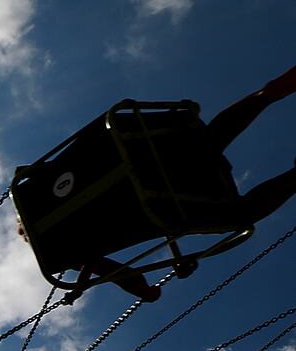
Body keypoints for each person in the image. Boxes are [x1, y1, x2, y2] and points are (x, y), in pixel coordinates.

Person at [75, 62, 296, 301]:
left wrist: (145, 292)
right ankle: (270, 93)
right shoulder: (42, 194)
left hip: (169, 201)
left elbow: (127, 277)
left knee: (241, 214)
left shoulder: (61, 249)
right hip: (146, 162)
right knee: (207, 141)